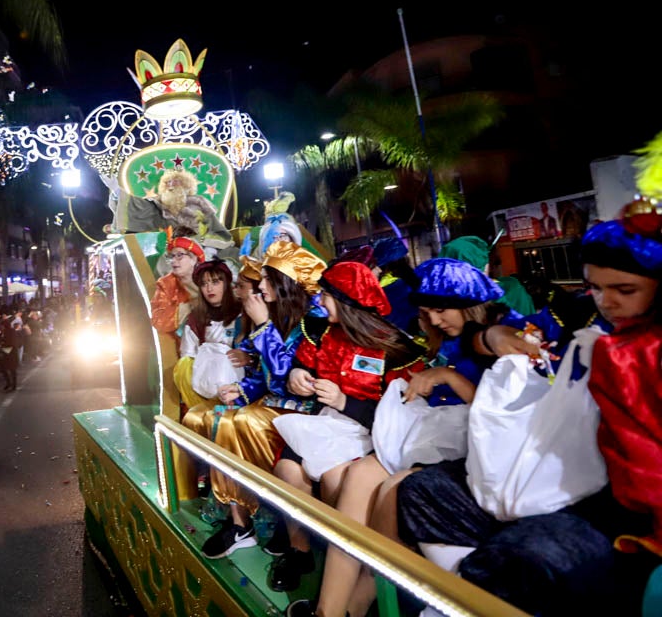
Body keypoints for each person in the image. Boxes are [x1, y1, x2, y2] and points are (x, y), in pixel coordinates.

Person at [394, 204, 662, 616]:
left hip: (622, 511)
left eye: (624, 290)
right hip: (558, 470)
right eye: (594, 287)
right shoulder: (582, 318)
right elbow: (504, 340)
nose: (606, 302)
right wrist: (491, 336)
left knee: (516, 557)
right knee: (421, 491)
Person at [286, 257, 505, 617]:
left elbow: (499, 413)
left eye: (440, 309)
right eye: (426, 312)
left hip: (470, 454)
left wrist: (446, 378)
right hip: (419, 438)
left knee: (390, 495)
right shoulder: (442, 342)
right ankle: (329, 610)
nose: (433, 320)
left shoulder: (497, 341)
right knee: (356, 477)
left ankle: (354, 608)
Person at [267, 260, 426, 592]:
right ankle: (301, 551)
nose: (319, 302)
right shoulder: (322, 331)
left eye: (325, 295)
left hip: (369, 435)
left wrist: (344, 402)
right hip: (325, 425)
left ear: (347, 301)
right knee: (286, 469)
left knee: (334, 481)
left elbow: (402, 418)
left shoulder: (395, 349)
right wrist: (297, 374)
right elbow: (300, 363)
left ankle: (341, 573)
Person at [187, 241, 325, 560]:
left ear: (284, 283)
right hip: (274, 403)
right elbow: (264, 375)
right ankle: (240, 524)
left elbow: (285, 374)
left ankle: (279, 516)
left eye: (265, 279)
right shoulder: (274, 315)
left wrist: (263, 326)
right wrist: (242, 392)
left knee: (243, 420)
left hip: (306, 410)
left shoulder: (312, 320)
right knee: (224, 416)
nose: (259, 286)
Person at [174, 258, 242, 409]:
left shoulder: (243, 313)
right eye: (204, 284)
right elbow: (188, 354)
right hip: (205, 381)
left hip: (237, 379)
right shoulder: (196, 318)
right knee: (183, 365)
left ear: (226, 284)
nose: (209, 288)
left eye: (215, 282)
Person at [150, 233, 203, 340]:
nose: (174, 261)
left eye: (179, 255)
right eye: (171, 256)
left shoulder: (208, 277)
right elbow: (160, 322)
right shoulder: (166, 284)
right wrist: (190, 305)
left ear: (194, 259)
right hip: (183, 342)